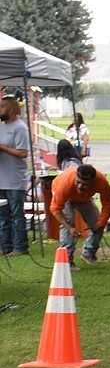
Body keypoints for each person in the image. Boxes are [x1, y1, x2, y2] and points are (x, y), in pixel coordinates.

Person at [50, 163, 110, 266]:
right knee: (68, 223)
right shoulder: (65, 184)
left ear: (93, 182)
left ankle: (88, 253)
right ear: (75, 176)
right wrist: (69, 228)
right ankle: (67, 261)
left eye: (84, 184)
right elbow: (55, 209)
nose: (80, 186)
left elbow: (108, 203)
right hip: (66, 198)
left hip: (85, 199)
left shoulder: (101, 182)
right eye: (78, 182)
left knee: (97, 224)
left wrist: (101, 223)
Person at [0, 94, 31, 256]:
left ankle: (20, 247)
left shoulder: (20, 127)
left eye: (1, 107)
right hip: (1, 178)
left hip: (14, 180)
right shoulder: (1, 126)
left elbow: (23, 153)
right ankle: (5, 246)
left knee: (17, 215)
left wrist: (3, 148)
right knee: (2, 216)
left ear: (11, 110)